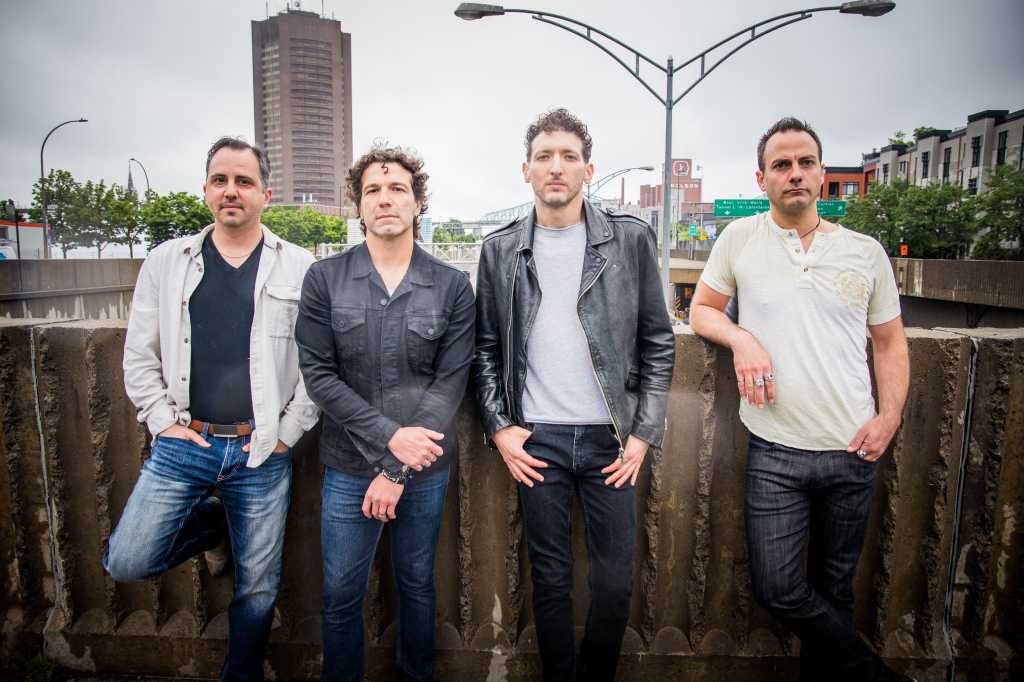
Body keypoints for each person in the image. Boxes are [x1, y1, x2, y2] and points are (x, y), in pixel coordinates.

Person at [689, 117, 913, 682]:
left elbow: (889, 343)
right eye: (782, 165)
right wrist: (742, 339)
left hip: (853, 448)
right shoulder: (739, 239)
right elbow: (702, 310)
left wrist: (889, 417)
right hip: (776, 450)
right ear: (761, 178)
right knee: (778, 588)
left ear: (821, 173)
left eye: (805, 163)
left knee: (835, 591)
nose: (795, 174)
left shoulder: (866, 252)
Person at [105, 137, 319, 681]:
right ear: (205, 190)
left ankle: (240, 675)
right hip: (186, 442)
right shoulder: (166, 262)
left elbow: (318, 365)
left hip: (261, 449)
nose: (231, 191)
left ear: (265, 194)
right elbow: (139, 355)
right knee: (127, 559)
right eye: (220, 180)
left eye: (244, 181)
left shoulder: (299, 266)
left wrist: (287, 433)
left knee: (258, 587)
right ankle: (212, 524)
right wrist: (162, 422)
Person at [473, 108, 675, 681]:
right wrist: (499, 428)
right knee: (550, 579)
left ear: (589, 168)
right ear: (526, 170)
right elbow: (485, 348)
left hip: (613, 441)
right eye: (544, 156)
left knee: (613, 583)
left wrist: (643, 433)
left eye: (568, 156)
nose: (556, 167)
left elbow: (658, 340)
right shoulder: (500, 250)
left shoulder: (629, 238)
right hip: (537, 439)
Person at [295, 145, 475, 682]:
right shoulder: (324, 279)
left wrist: (397, 468)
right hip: (348, 467)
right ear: (359, 206)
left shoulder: (452, 285)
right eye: (372, 190)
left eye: (398, 188)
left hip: (423, 468)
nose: (385, 199)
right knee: (340, 592)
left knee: (416, 583)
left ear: (418, 203)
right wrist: (389, 442)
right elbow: (319, 376)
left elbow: (449, 384)